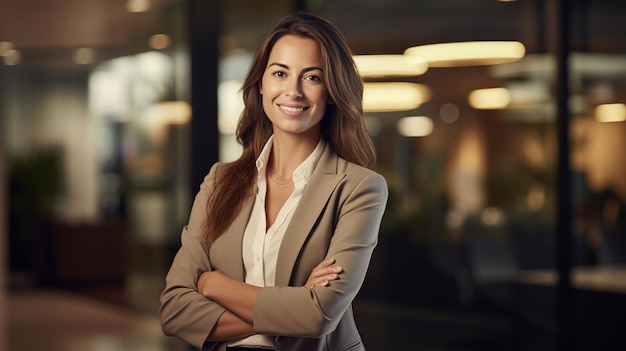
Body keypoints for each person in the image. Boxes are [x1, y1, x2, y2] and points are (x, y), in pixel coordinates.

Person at [160, 12, 388, 351]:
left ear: (332, 91)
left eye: (312, 77)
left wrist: (213, 284)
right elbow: (174, 310)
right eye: (280, 73)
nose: (293, 91)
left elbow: (318, 316)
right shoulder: (220, 181)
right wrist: (293, 305)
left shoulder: (359, 188)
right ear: (261, 83)